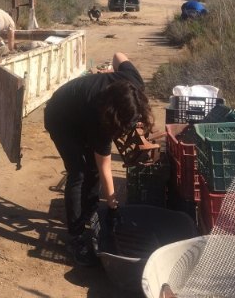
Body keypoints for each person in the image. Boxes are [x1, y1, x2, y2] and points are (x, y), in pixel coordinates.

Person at [43, 52, 154, 266]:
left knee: (92, 169)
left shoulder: (133, 81)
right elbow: (105, 168)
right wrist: (112, 204)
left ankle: (90, 211)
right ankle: (75, 237)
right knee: (79, 172)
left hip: (79, 107)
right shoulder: (100, 119)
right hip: (61, 118)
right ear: (114, 115)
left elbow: (118, 55)